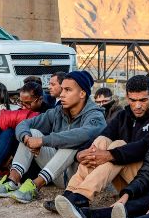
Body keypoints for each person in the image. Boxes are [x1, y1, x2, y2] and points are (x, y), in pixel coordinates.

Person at [47, 75, 149, 212]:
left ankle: (82, 195)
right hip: (126, 182)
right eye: (133, 100)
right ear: (127, 98)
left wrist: (110, 154)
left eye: (143, 100)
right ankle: (70, 193)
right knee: (102, 141)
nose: (137, 105)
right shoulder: (123, 116)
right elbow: (103, 135)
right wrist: (80, 154)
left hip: (148, 181)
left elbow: (144, 146)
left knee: (117, 145)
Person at [6, 71, 106, 204]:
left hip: (77, 177)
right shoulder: (58, 111)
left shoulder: (95, 116)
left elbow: (83, 134)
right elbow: (24, 124)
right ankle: (12, 181)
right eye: (62, 89)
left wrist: (43, 141)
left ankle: (35, 186)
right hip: (55, 173)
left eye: (68, 90)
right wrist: (27, 139)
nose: (62, 94)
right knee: (33, 132)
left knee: (71, 142)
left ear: (82, 94)